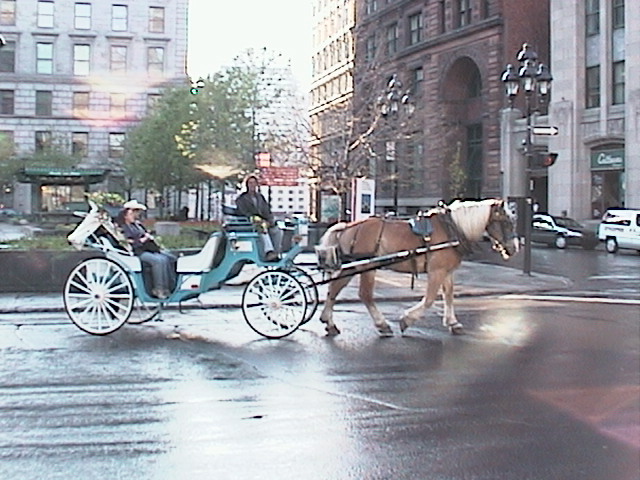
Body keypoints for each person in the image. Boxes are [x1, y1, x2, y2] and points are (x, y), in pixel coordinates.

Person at [116, 200, 176, 299]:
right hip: (137, 251)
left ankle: (170, 286)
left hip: (146, 248)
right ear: (125, 215)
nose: (135, 215)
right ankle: (158, 288)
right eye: (133, 212)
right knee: (158, 261)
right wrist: (143, 239)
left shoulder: (137, 225)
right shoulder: (123, 227)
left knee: (169, 258)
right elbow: (126, 241)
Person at [235, 175, 281, 261]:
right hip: (250, 223)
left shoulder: (260, 197)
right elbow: (244, 212)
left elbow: (267, 210)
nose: (252, 185)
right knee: (262, 228)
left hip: (263, 221)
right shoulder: (241, 199)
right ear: (247, 185)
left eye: (254, 183)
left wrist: (270, 220)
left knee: (277, 231)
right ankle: (268, 252)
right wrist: (257, 219)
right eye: (250, 183)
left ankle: (276, 252)